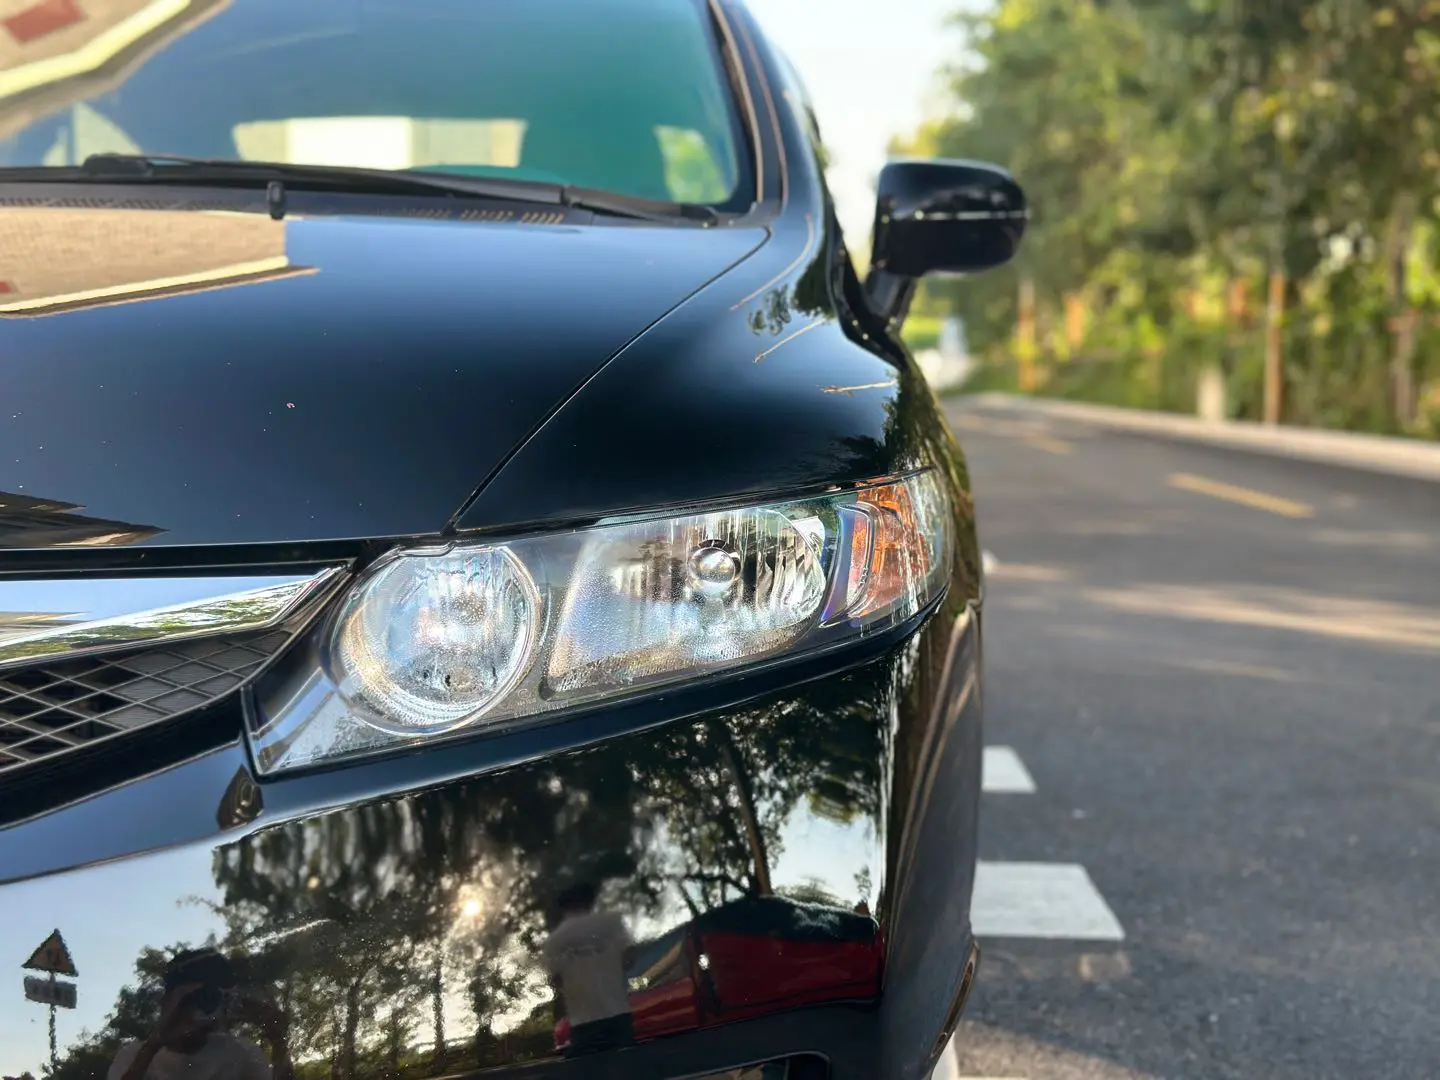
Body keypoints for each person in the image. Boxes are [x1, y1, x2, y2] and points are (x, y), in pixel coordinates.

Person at [107, 949, 291, 1080]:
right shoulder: (133, 1057)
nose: (202, 1005)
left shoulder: (241, 1052)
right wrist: (154, 1044)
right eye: (192, 997)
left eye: (211, 997)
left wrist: (278, 1042)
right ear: (166, 1001)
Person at [541, 881, 635, 1056]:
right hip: (618, 1013)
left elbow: (556, 981)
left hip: (583, 1021)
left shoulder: (554, 941)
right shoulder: (613, 923)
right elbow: (629, 960)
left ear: (563, 908)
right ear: (591, 901)